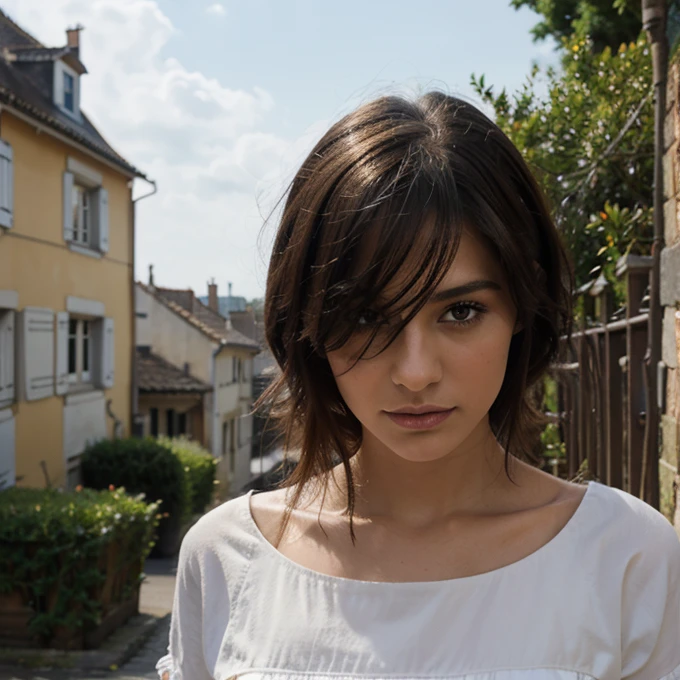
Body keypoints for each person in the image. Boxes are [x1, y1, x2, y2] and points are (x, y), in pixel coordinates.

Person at [156, 92, 680, 680]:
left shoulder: (626, 558)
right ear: (306, 326)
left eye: (460, 312)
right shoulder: (226, 559)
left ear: (523, 309)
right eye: (363, 317)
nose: (415, 372)